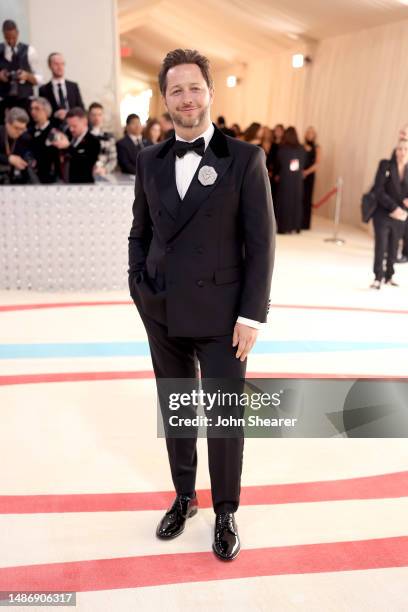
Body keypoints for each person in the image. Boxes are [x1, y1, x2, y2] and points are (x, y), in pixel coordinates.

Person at [127, 49, 275, 561]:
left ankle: (226, 510)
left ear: (211, 92)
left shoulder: (245, 158)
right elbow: (139, 232)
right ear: (165, 99)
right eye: (175, 90)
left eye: (194, 88)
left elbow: (262, 243)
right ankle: (184, 496)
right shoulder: (149, 160)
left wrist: (252, 314)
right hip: (163, 311)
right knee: (178, 411)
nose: (186, 99)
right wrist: (138, 287)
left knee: (226, 418)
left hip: (223, 316)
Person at [370, 140, 408, 289]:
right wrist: (394, 208)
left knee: (393, 247)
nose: (402, 152)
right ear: (396, 150)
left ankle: (389, 276)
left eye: (406, 149)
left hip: (400, 216)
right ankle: (377, 277)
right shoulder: (385, 165)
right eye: (400, 148)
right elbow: (378, 190)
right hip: (383, 214)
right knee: (381, 246)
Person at [0, 20, 43, 124]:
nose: (11, 41)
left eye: (13, 37)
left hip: (25, 100)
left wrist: (27, 76)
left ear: (18, 33)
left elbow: (40, 78)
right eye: (7, 38)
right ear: (3, 34)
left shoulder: (30, 51)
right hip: (4, 101)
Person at [52, 106, 100, 183]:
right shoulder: (69, 137)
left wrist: (68, 147)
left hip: (83, 186)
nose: (71, 129)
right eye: (69, 126)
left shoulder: (93, 141)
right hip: (65, 184)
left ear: (84, 122)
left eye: (74, 126)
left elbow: (86, 164)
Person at [274, 126, 306, 234]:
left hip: (285, 178)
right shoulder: (301, 149)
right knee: (296, 202)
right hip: (297, 180)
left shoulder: (282, 148)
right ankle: (295, 226)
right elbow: (303, 163)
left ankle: (284, 227)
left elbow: (278, 163)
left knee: (284, 202)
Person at [39, 53, 84, 128]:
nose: (60, 67)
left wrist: (68, 113)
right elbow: (42, 113)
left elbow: (80, 108)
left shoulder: (73, 86)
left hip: (72, 128)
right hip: (53, 128)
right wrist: (55, 114)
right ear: (50, 66)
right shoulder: (43, 89)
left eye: (62, 64)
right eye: (56, 64)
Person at [29, 97, 60, 183]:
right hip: (30, 177)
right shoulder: (29, 131)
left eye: (37, 109)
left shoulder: (54, 131)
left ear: (46, 111)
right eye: (31, 109)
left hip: (48, 178)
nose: (33, 112)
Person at [0, 106, 32, 184]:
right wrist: (9, 159)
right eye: (16, 128)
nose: (20, 132)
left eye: (23, 129)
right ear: (7, 123)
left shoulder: (24, 138)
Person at [88, 102, 117, 177]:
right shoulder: (84, 135)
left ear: (103, 116)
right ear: (89, 116)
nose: (96, 118)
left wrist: (105, 169)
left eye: (99, 115)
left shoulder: (109, 136)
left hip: (105, 174)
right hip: (87, 174)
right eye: (93, 115)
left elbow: (113, 159)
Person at [302, 126, 321, 230]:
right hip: (299, 175)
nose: (309, 134)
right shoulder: (301, 146)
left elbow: (317, 163)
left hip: (309, 175)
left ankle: (305, 224)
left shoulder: (317, 147)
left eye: (312, 133)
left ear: (314, 135)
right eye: (308, 132)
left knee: (307, 198)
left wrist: (306, 172)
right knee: (299, 198)